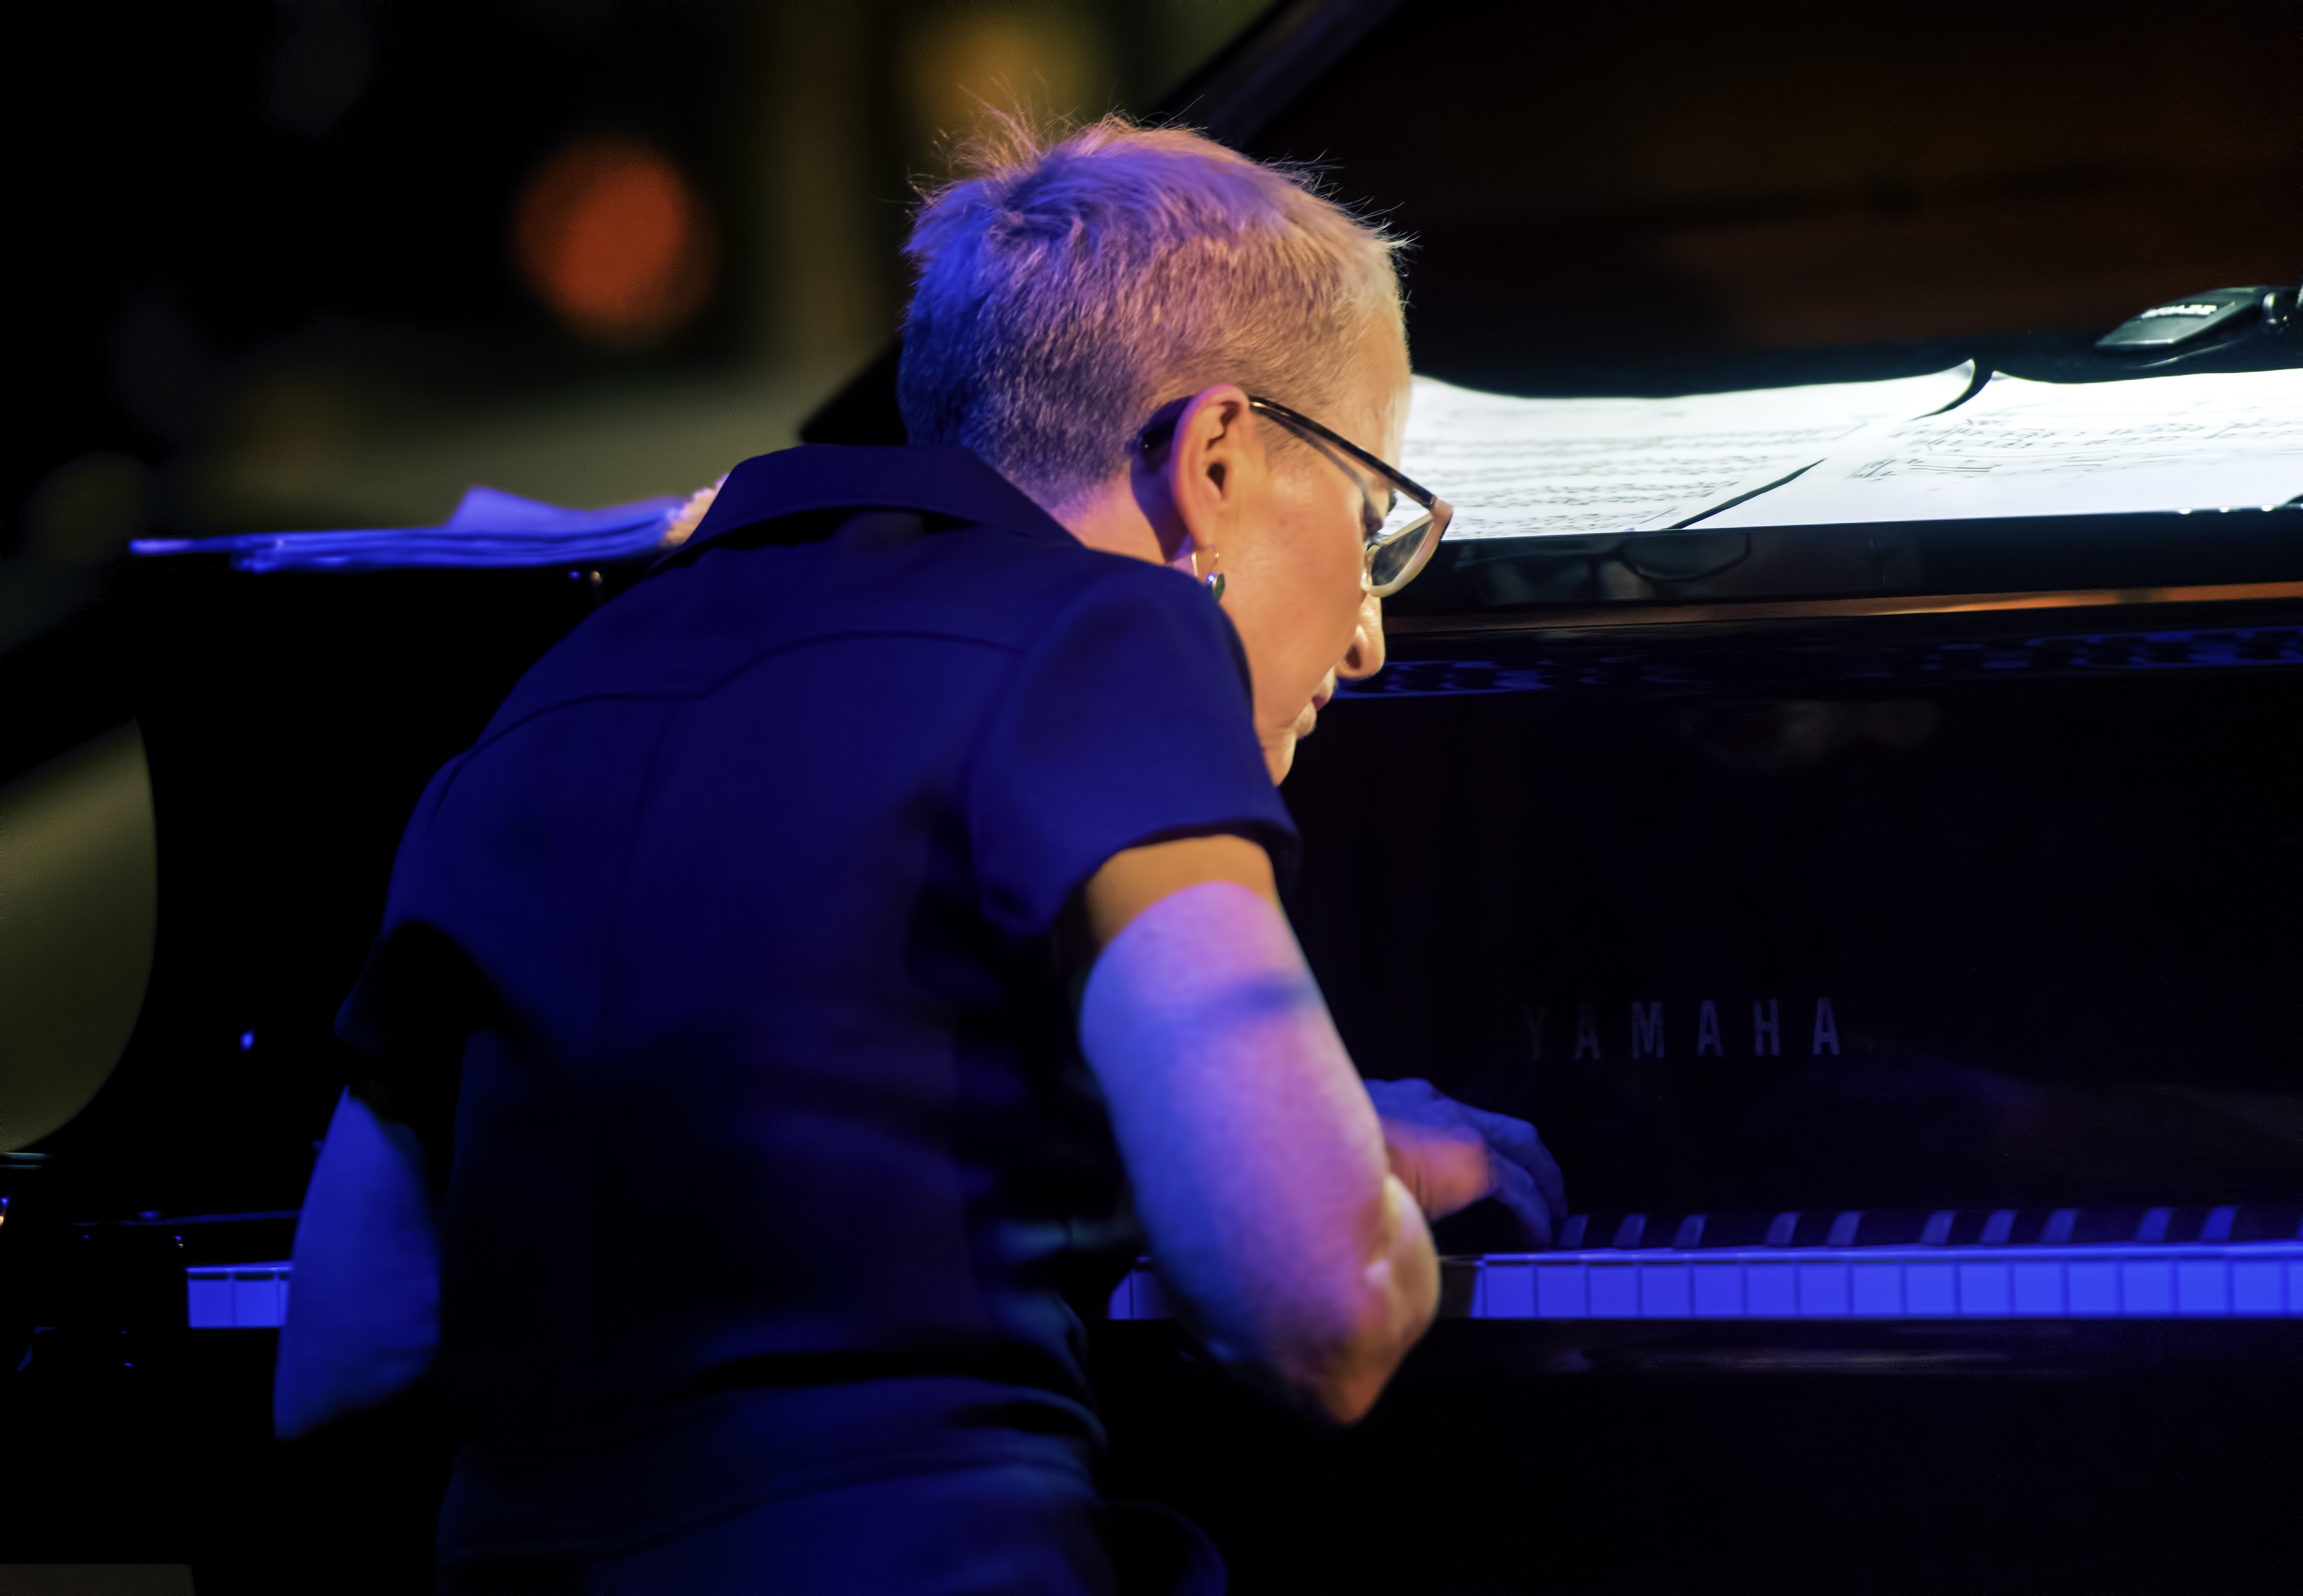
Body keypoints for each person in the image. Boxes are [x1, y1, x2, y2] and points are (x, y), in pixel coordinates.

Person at [275, 115, 1565, 1594]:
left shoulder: (549, 695)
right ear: (1213, 456)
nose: (1371, 629)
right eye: (1375, 518)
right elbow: (1318, 1313)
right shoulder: (1116, 637)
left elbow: (344, 1371)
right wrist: (1343, 1166)